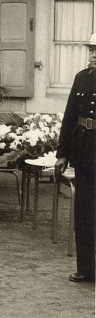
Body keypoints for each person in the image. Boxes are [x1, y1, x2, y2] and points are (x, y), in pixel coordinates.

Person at [54, 31, 96, 283]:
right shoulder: (81, 78)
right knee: (84, 212)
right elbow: (69, 117)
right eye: (91, 50)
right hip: (85, 153)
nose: (94, 55)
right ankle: (87, 269)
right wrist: (62, 154)